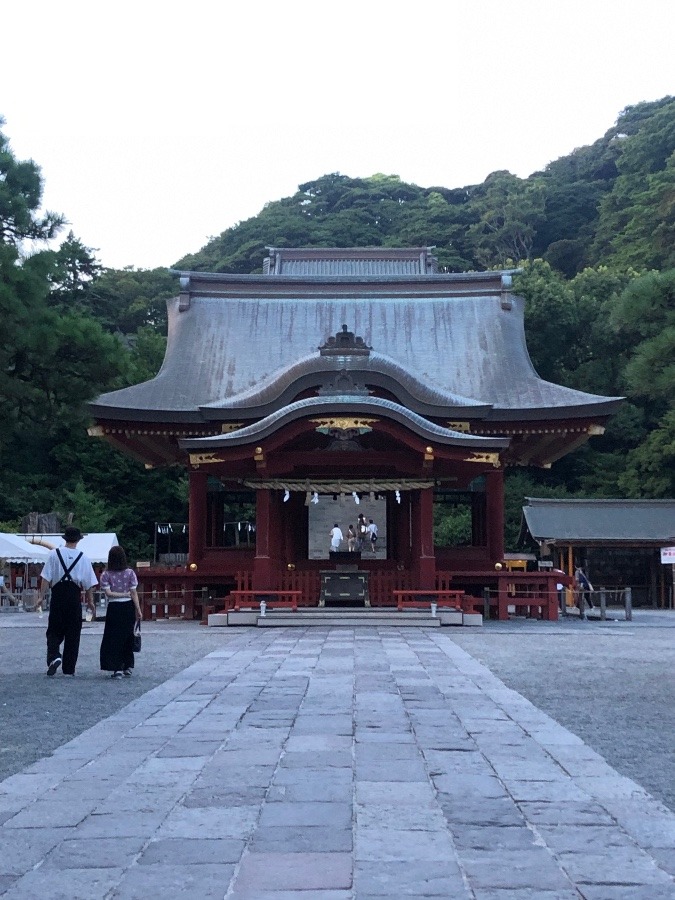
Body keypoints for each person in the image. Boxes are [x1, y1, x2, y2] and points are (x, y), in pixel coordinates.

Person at [39, 526, 97, 677]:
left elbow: (45, 578)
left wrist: (40, 596)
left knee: (53, 630)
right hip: (74, 596)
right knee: (73, 633)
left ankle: (54, 657)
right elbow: (89, 583)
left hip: (58, 595)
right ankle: (69, 669)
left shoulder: (54, 554)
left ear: (64, 539)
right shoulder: (83, 558)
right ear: (78, 540)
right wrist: (90, 601)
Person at [99, 545, 142, 679]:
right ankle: (128, 665)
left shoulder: (106, 574)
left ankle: (117, 667)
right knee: (128, 636)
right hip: (128, 607)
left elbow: (108, 593)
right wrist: (138, 609)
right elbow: (134, 593)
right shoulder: (130, 573)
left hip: (114, 608)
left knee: (114, 638)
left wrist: (119, 594)